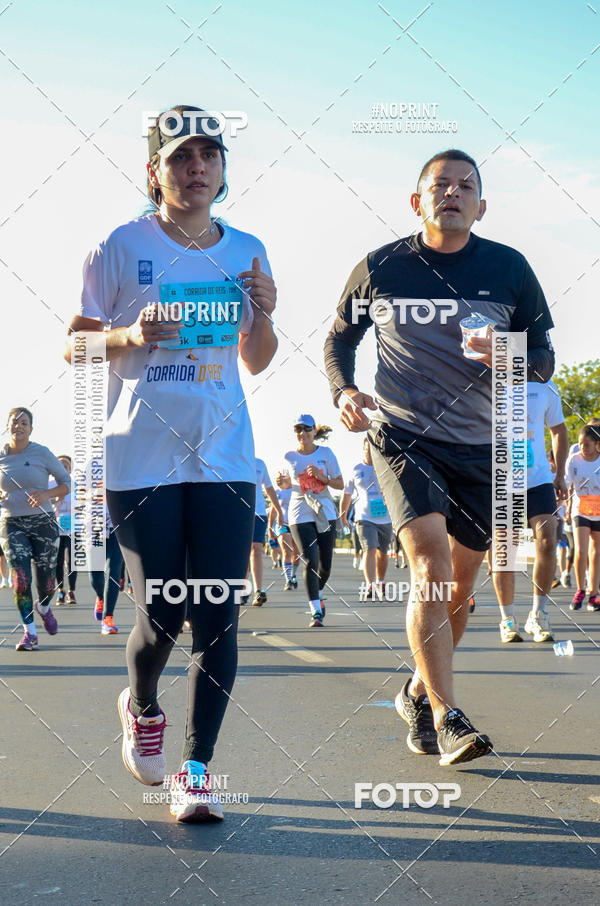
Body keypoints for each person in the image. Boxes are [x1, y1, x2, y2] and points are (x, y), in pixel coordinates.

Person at [65, 106, 278, 821]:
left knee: (217, 615)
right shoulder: (118, 247)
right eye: (181, 157)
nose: (197, 169)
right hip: (140, 457)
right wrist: (131, 332)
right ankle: (143, 704)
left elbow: (255, 359)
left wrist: (268, 317)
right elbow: (76, 347)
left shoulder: (247, 246)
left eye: (209, 157)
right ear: (153, 170)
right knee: (162, 614)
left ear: (222, 170)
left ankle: (195, 772)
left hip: (224, 454)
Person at [324, 149, 554, 764]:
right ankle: (450, 718)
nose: (451, 193)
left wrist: (504, 350)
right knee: (430, 567)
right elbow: (337, 339)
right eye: (439, 185)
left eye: (465, 187)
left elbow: (543, 361)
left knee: (459, 590)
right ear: (416, 200)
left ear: (482, 205)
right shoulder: (381, 267)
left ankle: (419, 693)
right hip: (403, 435)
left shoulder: (510, 268)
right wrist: (344, 391)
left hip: (482, 447)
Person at [491, 380, 567, 643]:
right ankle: (507, 619)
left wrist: (560, 473)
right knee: (506, 550)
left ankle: (538, 615)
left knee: (548, 539)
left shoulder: (545, 384)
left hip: (539, 479)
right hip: (502, 479)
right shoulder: (487, 380)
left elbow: (558, 429)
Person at [0, 407, 70, 650]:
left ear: (31, 428)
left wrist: (46, 494)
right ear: (7, 425)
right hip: (12, 522)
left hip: (43, 523)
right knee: (20, 579)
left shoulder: (41, 453)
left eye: (24, 423)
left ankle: (45, 606)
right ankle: (29, 632)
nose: (18, 427)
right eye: (14, 422)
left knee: (47, 583)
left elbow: (66, 483)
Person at [277, 415, 343, 627]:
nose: (302, 433)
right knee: (310, 560)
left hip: (324, 510)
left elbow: (340, 484)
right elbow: (287, 484)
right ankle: (315, 611)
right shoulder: (289, 456)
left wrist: (323, 478)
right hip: (300, 511)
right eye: (298, 429)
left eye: (306, 429)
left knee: (325, 565)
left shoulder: (326, 453)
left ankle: (318, 591)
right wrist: (284, 483)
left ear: (314, 432)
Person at [341, 436, 392, 598]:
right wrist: (343, 516)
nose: (370, 451)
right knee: (369, 548)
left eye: (373, 448)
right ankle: (370, 585)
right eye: (367, 448)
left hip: (385, 517)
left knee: (383, 552)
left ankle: (380, 581)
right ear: (363, 449)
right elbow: (347, 494)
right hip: (364, 517)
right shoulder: (356, 469)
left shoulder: (386, 466)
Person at [565, 425, 600, 611]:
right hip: (581, 509)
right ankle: (580, 589)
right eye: (580, 444)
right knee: (580, 549)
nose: (583, 448)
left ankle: (593, 594)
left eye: (587, 445)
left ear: (596, 445)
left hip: (599, 509)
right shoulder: (574, 460)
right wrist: (566, 505)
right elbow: (567, 484)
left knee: (596, 553)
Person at [249, 457, 283, 606]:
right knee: (240, 552)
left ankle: (258, 590)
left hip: (258, 513)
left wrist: (279, 511)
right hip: (237, 512)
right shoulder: (232, 459)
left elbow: (269, 488)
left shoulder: (260, 463)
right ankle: (242, 589)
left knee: (256, 549)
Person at [90, 504, 124, 634]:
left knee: (113, 569)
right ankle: (100, 597)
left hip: (118, 523)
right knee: (94, 573)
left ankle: (108, 618)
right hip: (93, 524)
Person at [52, 455, 78, 606]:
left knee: (71, 560)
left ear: (70, 469)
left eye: (65, 466)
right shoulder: (50, 484)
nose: (62, 468)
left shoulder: (76, 485)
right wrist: (55, 499)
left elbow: (83, 503)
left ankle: (72, 591)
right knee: (58, 561)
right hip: (56, 528)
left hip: (73, 529)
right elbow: (44, 502)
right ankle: (61, 590)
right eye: (59, 465)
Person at [267, 485, 299, 589]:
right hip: (282, 525)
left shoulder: (298, 489)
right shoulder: (277, 491)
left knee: (297, 554)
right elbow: (273, 511)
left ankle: (293, 574)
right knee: (286, 551)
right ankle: (288, 580)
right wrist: (270, 528)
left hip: (297, 524)